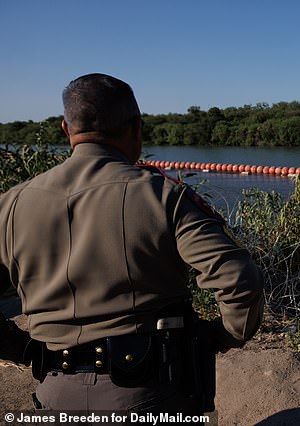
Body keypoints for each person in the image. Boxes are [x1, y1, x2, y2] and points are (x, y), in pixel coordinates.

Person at [0, 73, 264, 417]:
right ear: (137, 127)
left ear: (65, 129)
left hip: (53, 395)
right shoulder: (163, 196)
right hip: (150, 393)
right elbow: (239, 279)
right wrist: (223, 336)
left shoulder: (11, 205)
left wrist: (24, 351)